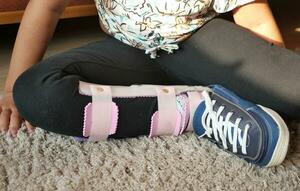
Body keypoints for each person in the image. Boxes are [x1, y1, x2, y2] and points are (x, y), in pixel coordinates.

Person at [0, 0, 299, 167]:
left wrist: (267, 84)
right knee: (35, 90)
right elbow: (46, 7)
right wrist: (12, 89)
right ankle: (194, 109)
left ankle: (213, 95)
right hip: (126, 53)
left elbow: (254, 18)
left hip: (202, 41)